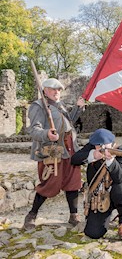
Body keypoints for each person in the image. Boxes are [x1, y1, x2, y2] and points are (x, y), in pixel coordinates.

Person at [23, 78, 86, 230]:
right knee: (50, 182)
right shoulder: (38, 106)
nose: (56, 92)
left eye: (58, 89)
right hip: (51, 148)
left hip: (70, 147)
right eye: (53, 89)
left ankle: (73, 215)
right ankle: (31, 215)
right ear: (45, 90)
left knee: (73, 181)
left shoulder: (60, 105)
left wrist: (78, 108)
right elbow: (33, 130)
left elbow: (68, 122)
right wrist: (47, 134)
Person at [71, 128, 122, 240]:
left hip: (117, 192)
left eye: (104, 145)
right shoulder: (91, 148)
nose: (101, 148)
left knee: (121, 187)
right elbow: (74, 159)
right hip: (98, 197)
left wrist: (111, 161)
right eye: (98, 146)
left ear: (112, 143)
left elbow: (120, 177)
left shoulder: (121, 152)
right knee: (93, 233)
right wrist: (93, 155)